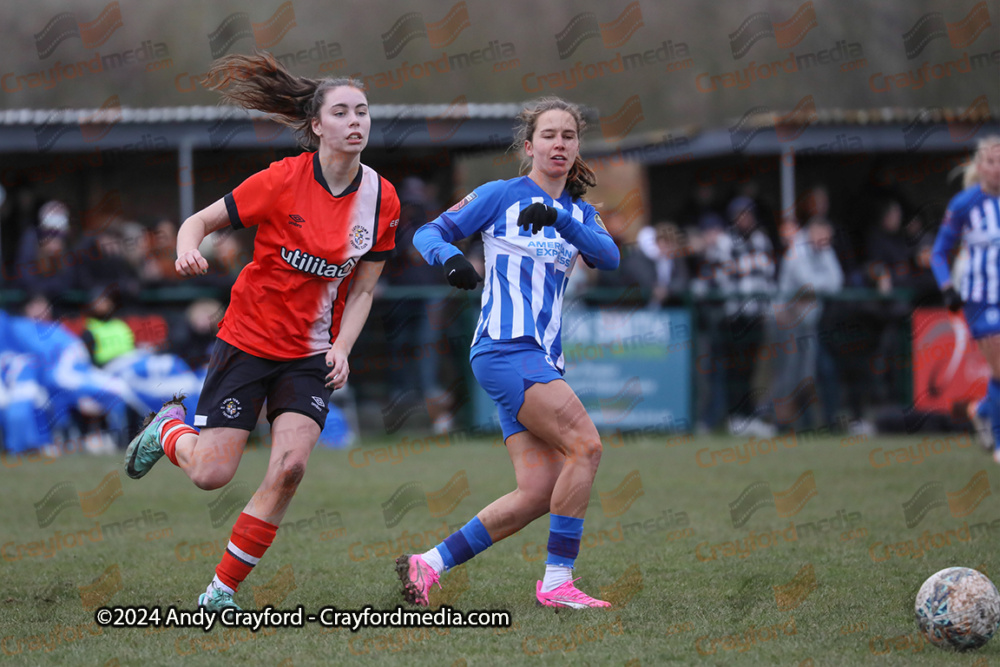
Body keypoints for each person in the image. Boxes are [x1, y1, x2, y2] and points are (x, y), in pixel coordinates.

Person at [121, 52, 399, 611]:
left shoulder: (382, 198)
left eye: (362, 112)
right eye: (342, 112)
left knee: (291, 467)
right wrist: (185, 248)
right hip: (246, 342)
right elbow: (198, 221)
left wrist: (342, 347)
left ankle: (221, 592)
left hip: (310, 355)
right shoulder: (282, 180)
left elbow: (364, 290)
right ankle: (169, 430)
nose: (355, 122)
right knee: (210, 475)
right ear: (317, 125)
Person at [396, 97, 620, 610]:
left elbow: (608, 256)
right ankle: (558, 582)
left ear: (576, 146)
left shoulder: (581, 212)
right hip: (504, 348)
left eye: (568, 135)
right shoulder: (500, 195)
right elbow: (428, 231)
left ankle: (427, 563)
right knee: (587, 446)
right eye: (548, 135)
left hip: (535, 359)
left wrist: (562, 221)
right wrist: (451, 258)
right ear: (529, 145)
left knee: (539, 490)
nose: (558, 143)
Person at [931, 136, 1000, 460]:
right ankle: (999, 443)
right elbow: (939, 254)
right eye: (990, 162)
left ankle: (984, 409)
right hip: (980, 299)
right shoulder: (964, 205)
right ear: (979, 167)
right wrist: (947, 288)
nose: (997, 168)